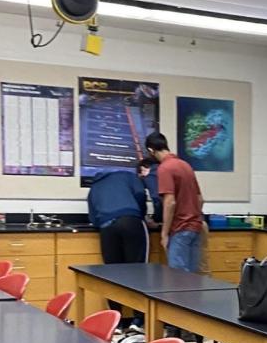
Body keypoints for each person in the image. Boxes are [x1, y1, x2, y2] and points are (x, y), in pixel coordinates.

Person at [87, 163, 150, 329]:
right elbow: (139, 194)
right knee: (138, 272)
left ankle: (116, 321)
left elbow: (93, 218)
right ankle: (138, 320)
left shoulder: (94, 186)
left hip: (106, 227)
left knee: (112, 274)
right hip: (130, 221)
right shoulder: (129, 176)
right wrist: (141, 215)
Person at [144, 131, 204, 272]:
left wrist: (164, 234)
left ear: (151, 150)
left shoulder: (164, 168)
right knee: (192, 280)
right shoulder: (185, 165)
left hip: (180, 230)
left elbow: (170, 202)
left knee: (178, 281)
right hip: (195, 228)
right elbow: (200, 199)